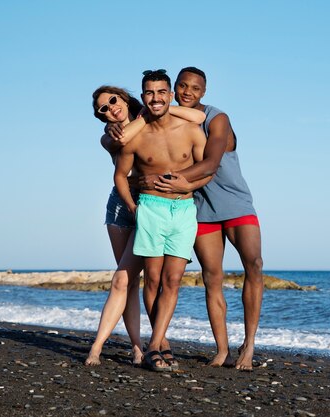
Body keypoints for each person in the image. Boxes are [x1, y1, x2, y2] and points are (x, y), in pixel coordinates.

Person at [145, 67, 264, 371]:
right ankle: (222, 350)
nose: (188, 92)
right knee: (212, 278)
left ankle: (248, 346)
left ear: (204, 92)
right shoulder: (168, 121)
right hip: (201, 209)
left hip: (236, 204)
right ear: (175, 89)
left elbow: (211, 162)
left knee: (254, 266)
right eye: (182, 86)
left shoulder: (217, 118)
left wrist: (170, 180)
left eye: (195, 88)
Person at [85, 85, 205, 366]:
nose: (111, 108)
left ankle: (146, 344)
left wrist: (156, 108)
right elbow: (124, 142)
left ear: (124, 98)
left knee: (129, 280)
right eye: (103, 109)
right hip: (124, 206)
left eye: (113, 100)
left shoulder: (150, 115)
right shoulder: (109, 136)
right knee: (125, 281)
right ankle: (134, 347)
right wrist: (147, 115)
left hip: (155, 207)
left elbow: (197, 119)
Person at [114, 69, 209, 371]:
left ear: (170, 95)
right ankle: (159, 344)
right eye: (149, 93)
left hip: (183, 210)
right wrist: (133, 207)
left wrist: (187, 186)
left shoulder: (191, 129)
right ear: (143, 98)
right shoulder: (136, 136)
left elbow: (208, 169)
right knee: (153, 279)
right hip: (151, 208)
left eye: (160, 92)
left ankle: (156, 343)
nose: (155, 98)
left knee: (173, 280)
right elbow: (120, 175)